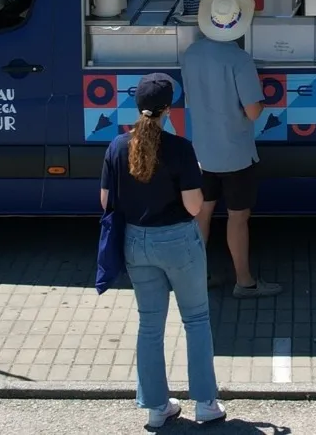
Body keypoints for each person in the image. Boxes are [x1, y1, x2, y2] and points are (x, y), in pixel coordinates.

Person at [100, 73, 226, 427]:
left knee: (150, 326)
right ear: (168, 109)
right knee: (197, 320)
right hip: (178, 243)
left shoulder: (117, 147)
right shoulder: (180, 148)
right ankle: (205, 404)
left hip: (136, 243)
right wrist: (196, 177)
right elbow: (192, 207)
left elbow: (106, 202)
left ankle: (157, 409)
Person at [180, 0, 282, 299]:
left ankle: (197, 278)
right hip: (236, 155)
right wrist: (263, 104)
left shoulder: (190, 55)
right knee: (238, 218)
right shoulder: (240, 60)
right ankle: (244, 282)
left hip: (201, 153)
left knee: (202, 214)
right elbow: (252, 112)